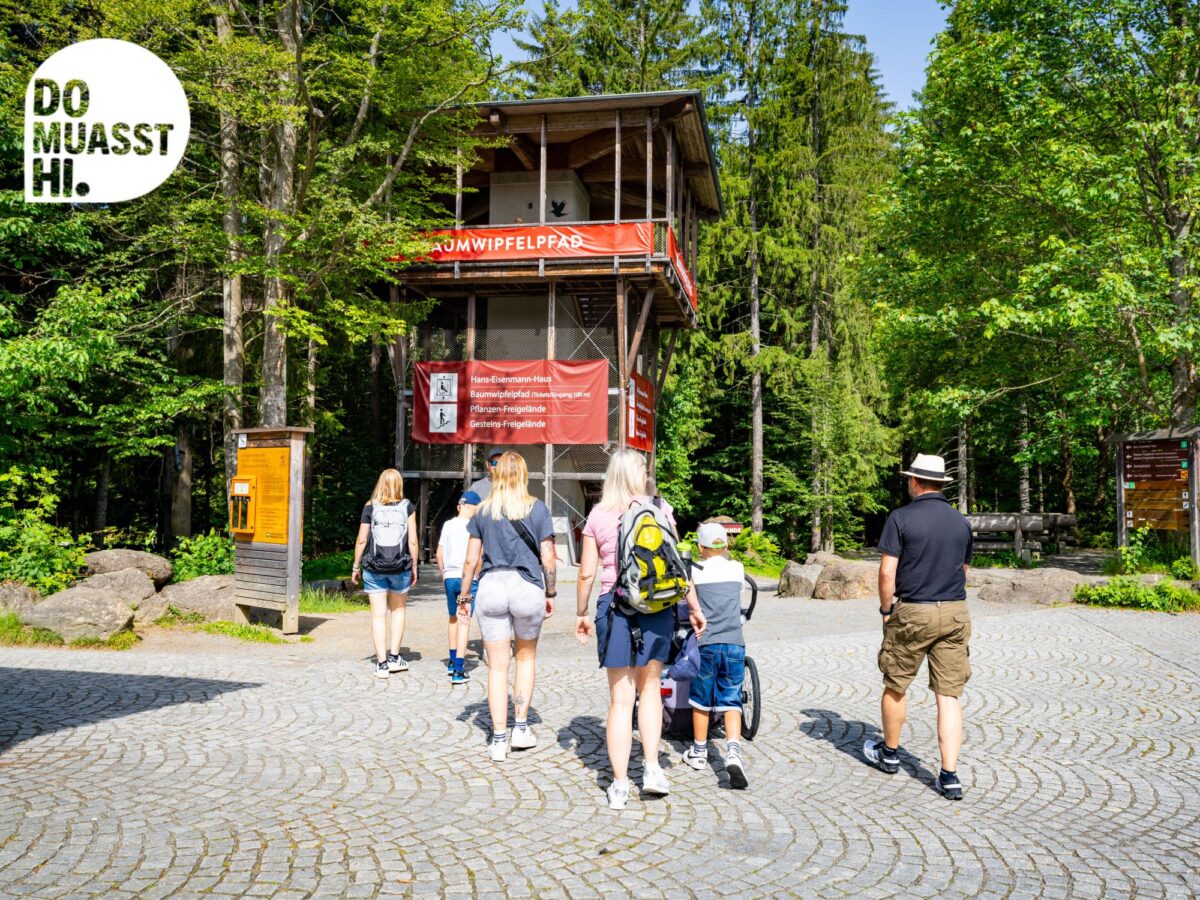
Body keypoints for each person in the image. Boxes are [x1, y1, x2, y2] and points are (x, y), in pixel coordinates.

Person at [574, 449, 707, 810]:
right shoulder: (660, 510)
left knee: (620, 700)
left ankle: (619, 784)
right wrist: (693, 608)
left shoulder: (598, 515)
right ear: (641, 476)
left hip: (614, 608)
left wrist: (582, 612)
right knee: (650, 691)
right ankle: (651, 770)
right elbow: (679, 564)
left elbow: (587, 573)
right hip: (658, 608)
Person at [863, 453, 973, 801]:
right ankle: (950, 775)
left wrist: (885, 609)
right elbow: (964, 570)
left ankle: (890, 754)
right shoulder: (960, 522)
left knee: (896, 683)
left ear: (914, 482)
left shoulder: (900, 518)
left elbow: (885, 573)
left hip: (913, 611)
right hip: (955, 611)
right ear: (941, 484)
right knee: (949, 694)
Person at [459, 451, 557, 761]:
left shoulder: (483, 513)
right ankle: (521, 728)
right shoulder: (537, 509)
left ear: (496, 475)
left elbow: (471, 561)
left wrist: (464, 597)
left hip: (491, 588)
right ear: (524, 475)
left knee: (497, 666)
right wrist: (551, 593)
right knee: (525, 658)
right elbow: (548, 557)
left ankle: (498, 738)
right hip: (527, 588)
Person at [682, 522, 749, 789]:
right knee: (732, 697)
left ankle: (699, 752)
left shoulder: (695, 571)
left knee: (701, 699)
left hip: (706, 643)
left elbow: (687, 596)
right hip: (735, 643)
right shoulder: (737, 568)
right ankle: (733, 751)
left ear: (700, 547)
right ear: (726, 544)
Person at [351, 469, 419, 679]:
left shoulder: (370, 506)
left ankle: (381, 663)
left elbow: (362, 539)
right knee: (398, 611)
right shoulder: (407, 506)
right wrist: (414, 566)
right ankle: (395, 657)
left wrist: (355, 566)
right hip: (400, 567)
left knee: (378, 615)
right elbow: (413, 541)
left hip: (374, 566)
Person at [437, 490, 481, 686]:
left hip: (449, 578)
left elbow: (439, 553)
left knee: (453, 617)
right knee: (465, 620)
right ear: (475, 509)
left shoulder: (448, 525)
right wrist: (477, 576)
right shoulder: (475, 527)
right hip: (466, 580)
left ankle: (452, 659)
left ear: (459, 507)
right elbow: (477, 557)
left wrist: (444, 572)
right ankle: (459, 669)